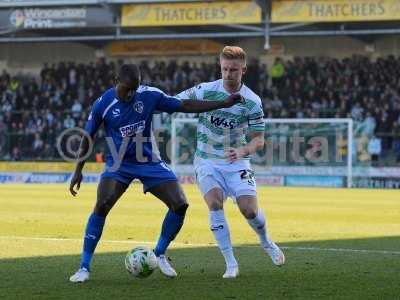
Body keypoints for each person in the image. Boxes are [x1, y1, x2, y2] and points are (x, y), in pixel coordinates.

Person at [69, 64, 243, 283]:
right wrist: (78, 170)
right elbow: (88, 137)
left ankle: (159, 253)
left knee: (180, 204)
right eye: (127, 89)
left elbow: (185, 104)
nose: (131, 93)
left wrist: (222, 103)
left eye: (135, 88)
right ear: (116, 81)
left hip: (148, 160)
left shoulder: (149, 95)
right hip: (119, 163)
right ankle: (84, 267)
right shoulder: (103, 104)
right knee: (102, 205)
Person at [176, 46, 285, 279]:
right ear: (220, 67)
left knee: (249, 210)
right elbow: (174, 101)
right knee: (214, 203)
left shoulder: (252, 101)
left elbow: (259, 140)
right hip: (206, 161)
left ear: (243, 70)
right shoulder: (205, 90)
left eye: (233, 69)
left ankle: (265, 241)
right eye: (225, 69)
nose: (228, 73)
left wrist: (244, 149)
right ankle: (230, 262)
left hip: (237, 162)